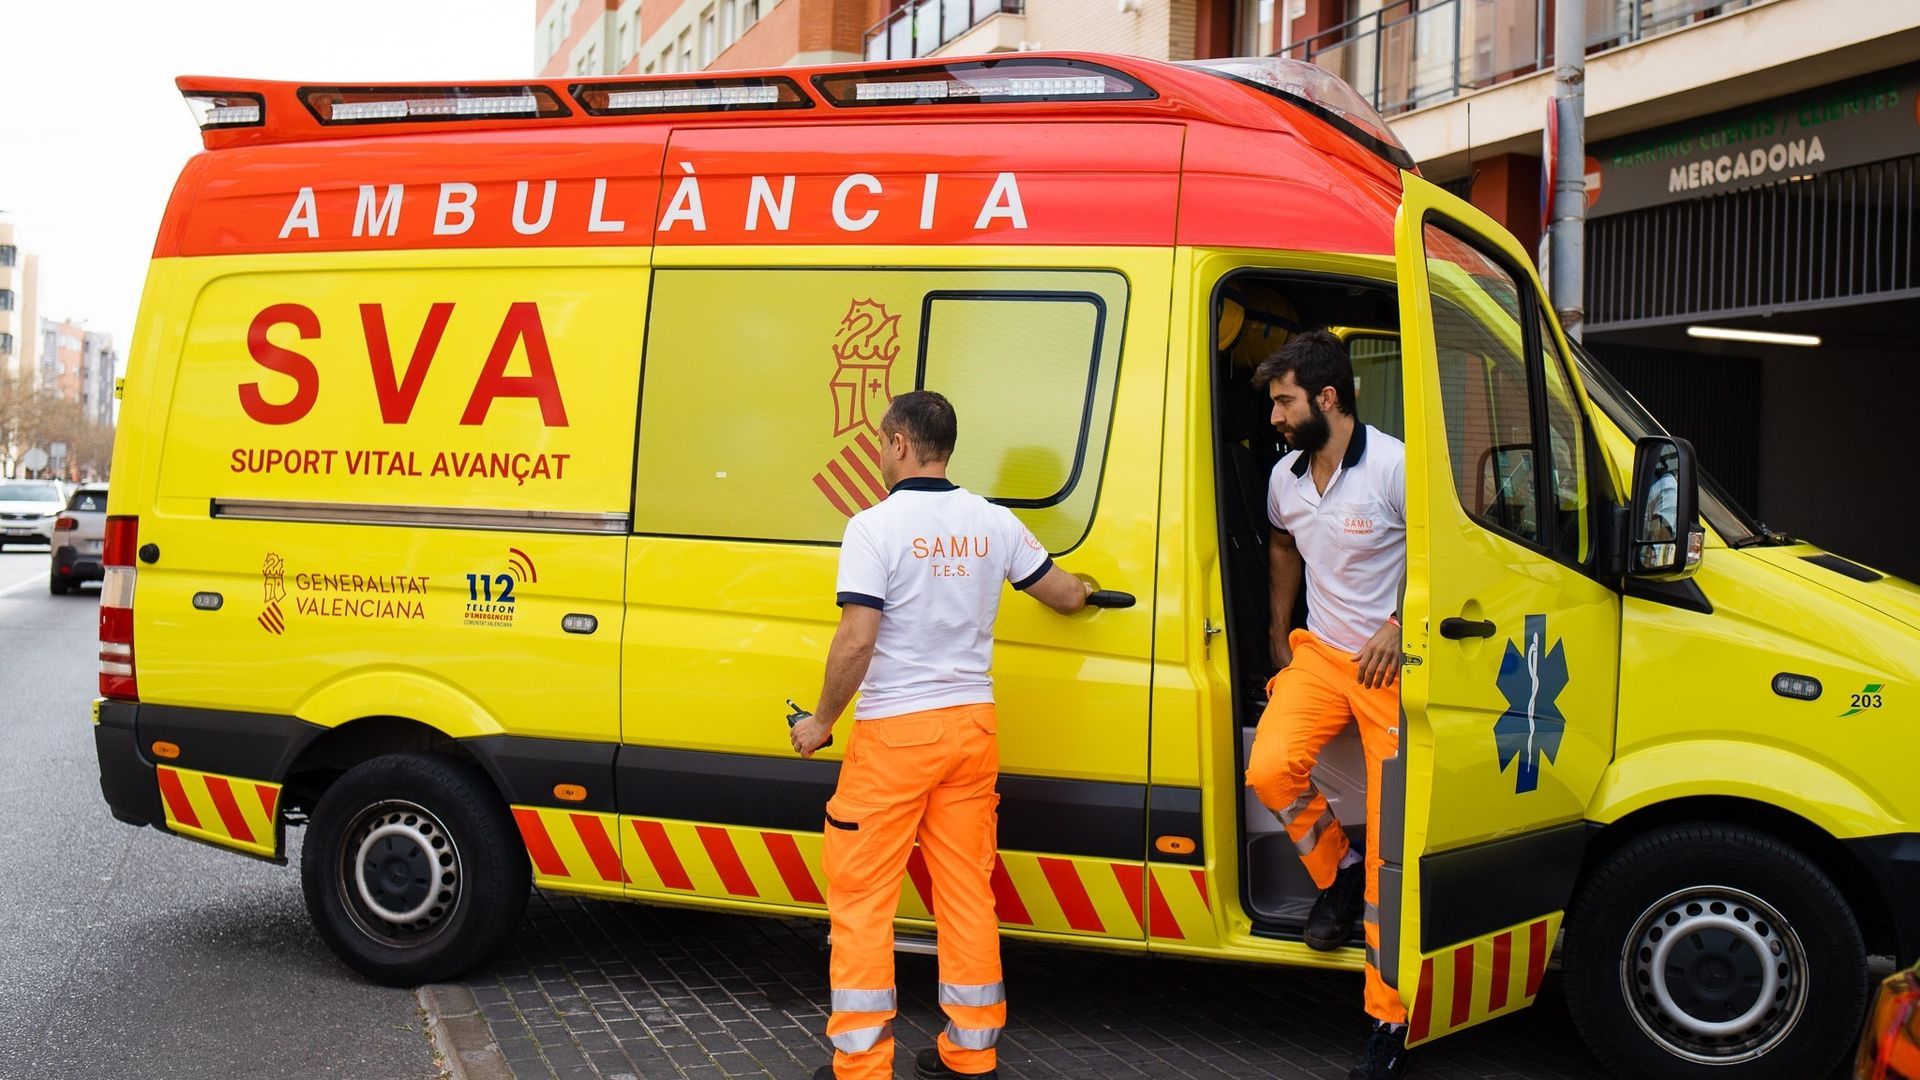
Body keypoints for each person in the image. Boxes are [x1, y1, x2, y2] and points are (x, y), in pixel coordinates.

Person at [788, 390, 1092, 1080]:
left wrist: (822, 722)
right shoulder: (994, 523)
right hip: (972, 728)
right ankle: (971, 1051)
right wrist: (1093, 589)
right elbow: (1064, 593)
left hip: (897, 733)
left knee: (863, 896)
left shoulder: (873, 526)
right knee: (964, 889)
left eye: (879, 444)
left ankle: (862, 1065)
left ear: (899, 443)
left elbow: (857, 640)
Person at [1242, 329, 1411, 1080]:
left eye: (1283, 402)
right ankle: (1334, 873)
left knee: (1392, 846)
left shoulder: (1397, 468)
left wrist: (1399, 626)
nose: (1275, 416)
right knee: (1270, 771)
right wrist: (1280, 631)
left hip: (1387, 666)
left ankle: (1387, 1018)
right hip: (1319, 656)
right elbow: (1284, 546)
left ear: (1327, 398)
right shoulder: (1285, 477)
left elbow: (1445, 557)